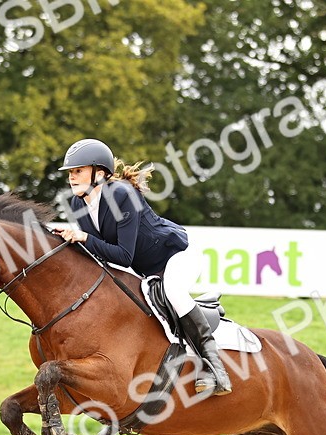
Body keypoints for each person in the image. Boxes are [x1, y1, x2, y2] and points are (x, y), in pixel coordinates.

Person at [49, 138, 231, 395]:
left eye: (78, 171)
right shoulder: (78, 204)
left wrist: (84, 238)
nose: (71, 177)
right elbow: (99, 253)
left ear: (99, 173)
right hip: (146, 270)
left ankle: (216, 369)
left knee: (175, 294)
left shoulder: (122, 195)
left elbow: (123, 255)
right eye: (70, 172)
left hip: (176, 257)